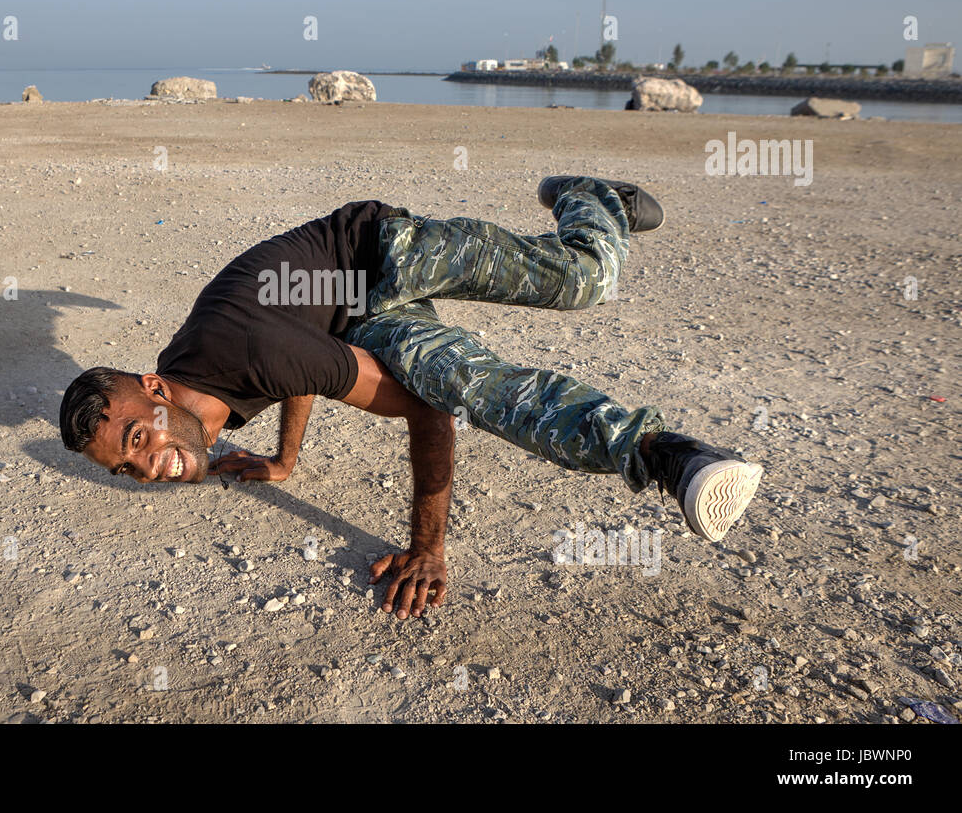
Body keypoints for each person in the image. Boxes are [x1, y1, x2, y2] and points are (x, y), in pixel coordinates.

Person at [59, 177, 764, 620]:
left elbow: (421, 403)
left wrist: (428, 548)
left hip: (383, 250)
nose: (149, 468)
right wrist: (283, 459)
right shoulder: (192, 392)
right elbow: (297, 372)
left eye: (137, 441)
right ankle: (669, 455)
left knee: (583, 280)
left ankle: (589, 197)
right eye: (126, 468)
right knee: (460, 375)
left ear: (154, 392)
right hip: (351, 318)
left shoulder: (239, 348)